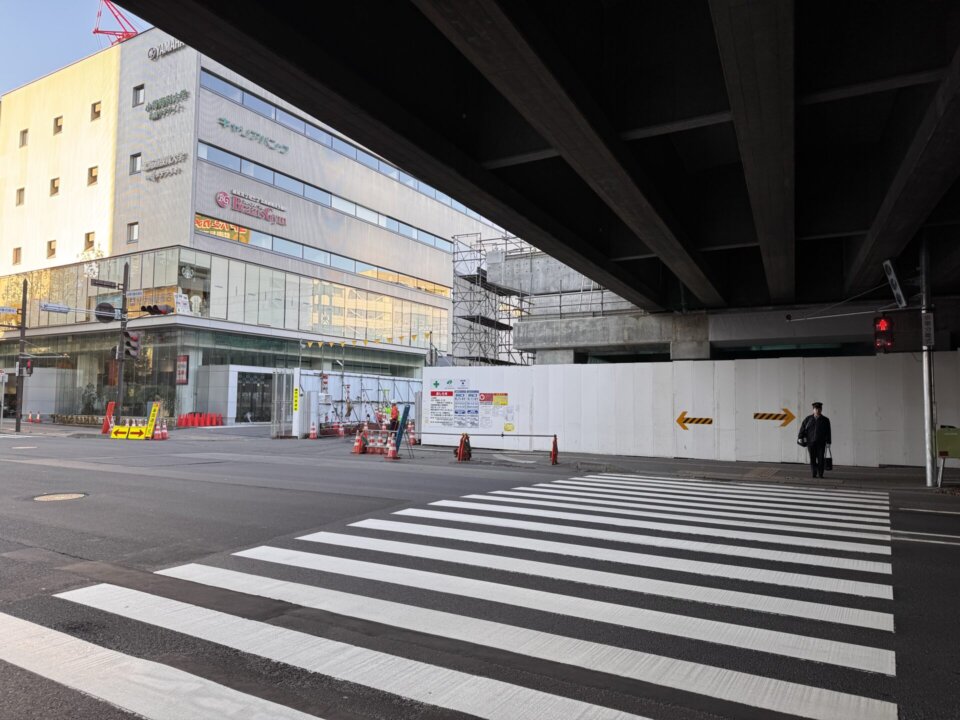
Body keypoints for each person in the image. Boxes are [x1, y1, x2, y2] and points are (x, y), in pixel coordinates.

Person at [798, 401, 832, 478]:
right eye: (816, 409)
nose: (818, 410)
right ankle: (814, 472)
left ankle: (820, 474)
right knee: (812, 459)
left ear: (821, 410)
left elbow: (828, 431)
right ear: (813, 410)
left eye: (819, 409)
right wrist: (800, 437)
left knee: (821, 459)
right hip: (811, 443)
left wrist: (828, 442)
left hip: (821, 443)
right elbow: (802, 429)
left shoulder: (825, 420)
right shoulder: (808, 419)